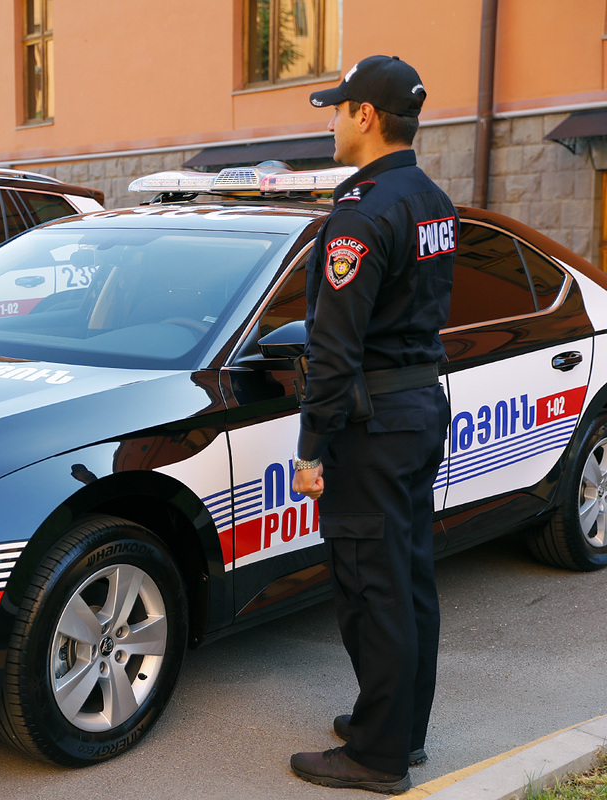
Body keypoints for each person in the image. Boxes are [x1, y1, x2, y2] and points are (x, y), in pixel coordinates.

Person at [288, 55, 455, 795]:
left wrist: (311, 448)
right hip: (417, 409)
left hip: (373, 423)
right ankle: (399, 729)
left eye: (337, 108)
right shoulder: (432, 200)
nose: (331, 121)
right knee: (408, 579)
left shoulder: (362, 213)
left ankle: (378, 757)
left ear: (365, 115)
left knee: (371, 586)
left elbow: (334, 347)